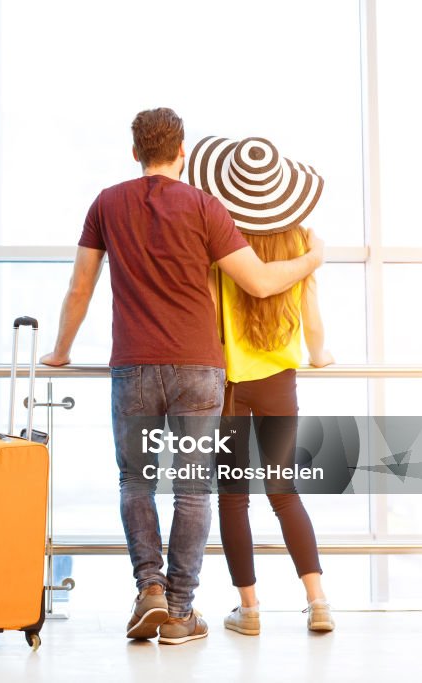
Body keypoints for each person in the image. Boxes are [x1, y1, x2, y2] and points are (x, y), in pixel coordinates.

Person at [40, 109, 324, 645]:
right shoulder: (203, 206)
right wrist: (311, 262)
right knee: (194, 490)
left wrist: (60, 351)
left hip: (133, 364)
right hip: (198, 367)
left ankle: (148, 586)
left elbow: (80, 287)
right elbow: (261, 283)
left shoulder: (107, 202)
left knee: (135, 481)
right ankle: (178, 612)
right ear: (183, 152)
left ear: (135, 152)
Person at [188, 134, 335, 634]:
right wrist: (320, 356)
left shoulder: (220, 241)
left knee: (233, 497)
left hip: (229, 384)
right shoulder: (300, 244)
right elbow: (312, 321)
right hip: (280, 382)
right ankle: (318, 602)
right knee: (285, 491)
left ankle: (248, 611)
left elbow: (209, 314)